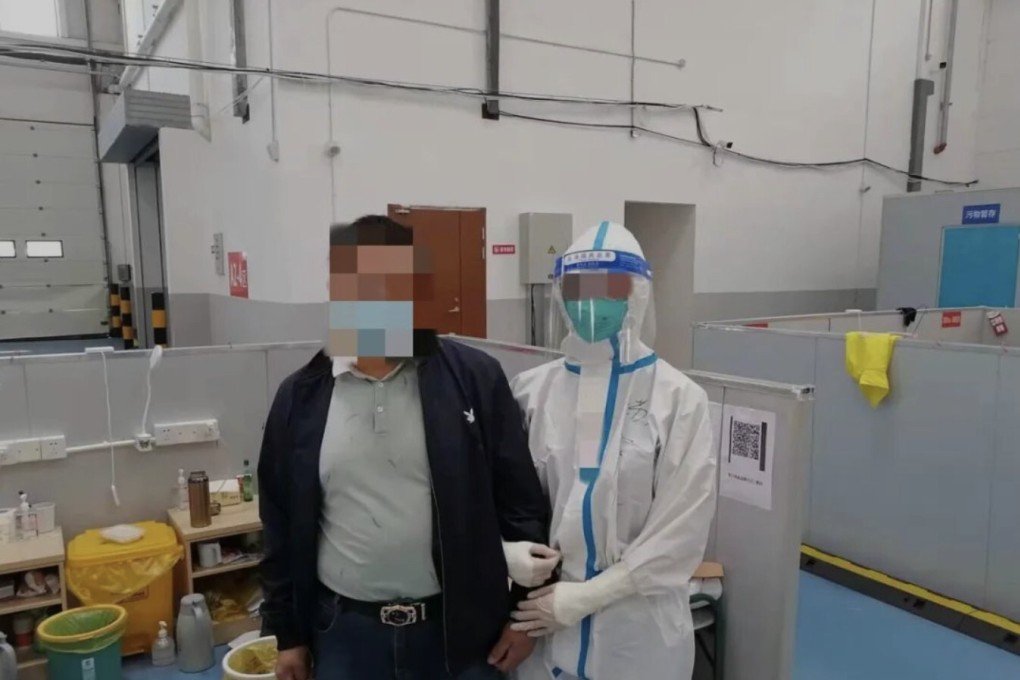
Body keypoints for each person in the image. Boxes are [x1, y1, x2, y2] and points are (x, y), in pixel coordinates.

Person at [259, 215, 557, 680]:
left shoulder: (474, 380)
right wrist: (288, 635)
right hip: (345, 635)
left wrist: (524, 619)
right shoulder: (300, 398)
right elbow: (279, 523)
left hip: (462, 634)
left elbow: (521, 506)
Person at [508, 221, 718, 680]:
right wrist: (505, 553)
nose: (590, 304)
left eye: (609, 290)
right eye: (578, 289)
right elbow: (504, 499)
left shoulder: (678, 399)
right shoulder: (531, 392)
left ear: (637, 294)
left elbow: (681, 531)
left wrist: (589, 596)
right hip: (543, 624)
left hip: (637, 633)